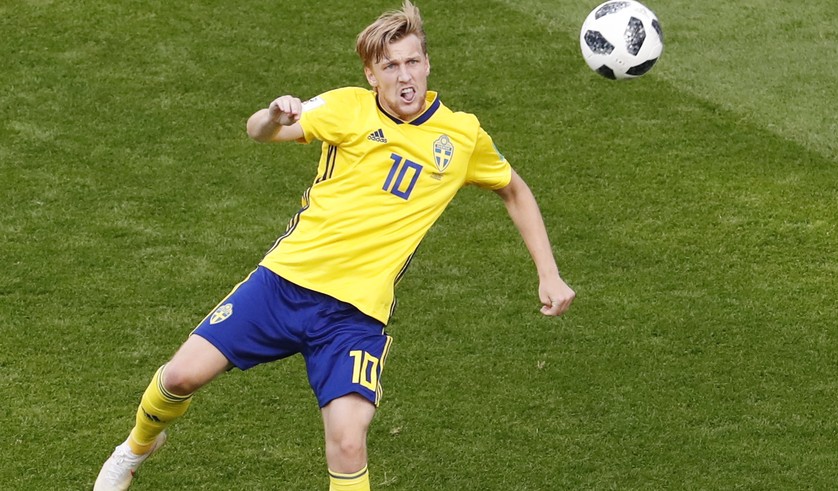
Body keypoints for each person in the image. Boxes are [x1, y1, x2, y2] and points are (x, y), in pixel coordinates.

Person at [93, 1, 575, 490]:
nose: (404, 75)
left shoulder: (462, 135)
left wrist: (548, 272)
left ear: (427, 63)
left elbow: (513, 188)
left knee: (348, 441)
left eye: (412, 61)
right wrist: (273, 114)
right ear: (371, 74)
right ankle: (135, 449)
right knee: (179, 378)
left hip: (355, 316)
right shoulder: (347, 107)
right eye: (390, 65)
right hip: (284, 285)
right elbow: (258, 132)